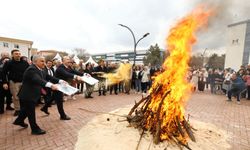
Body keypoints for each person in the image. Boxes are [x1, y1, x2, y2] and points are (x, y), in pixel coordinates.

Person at [13, 55, 62, 135]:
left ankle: (19, 120)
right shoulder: (31, 69)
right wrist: (51, 85)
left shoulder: (40, 69)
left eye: (44, 61)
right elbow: (38, 80)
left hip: (32, 94)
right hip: (27, 95)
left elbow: (49, 77)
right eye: (42, 61)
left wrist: (60, 81)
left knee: (26, 110)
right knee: (31, 112)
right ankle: (35, 129)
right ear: (35, 61)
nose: (44, 63)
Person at [54, 56, 83, 120]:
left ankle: (45, 107)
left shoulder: (68, 67)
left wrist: (84, 74)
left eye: (69, 59)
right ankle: (62, 115)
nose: (69, 60)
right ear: (63, 61)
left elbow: (74, 71)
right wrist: (75, 77)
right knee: (59, 100)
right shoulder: (60, 68)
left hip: (62, 84)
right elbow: (66, 74)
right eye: (67, 59)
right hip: (56, 85)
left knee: (54, 98)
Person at [2, 49, 30, 116]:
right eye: (16, 54)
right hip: (14, 82)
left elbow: (29, 71)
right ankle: (17, 110)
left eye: (19, 54)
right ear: (12, 55)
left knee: (23, 96)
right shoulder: (9, 63)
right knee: (16, 97)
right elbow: (3, 73)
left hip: (24, 82)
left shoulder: (25, 62)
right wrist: (4, 83)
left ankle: (23, 108)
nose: (18, 55)